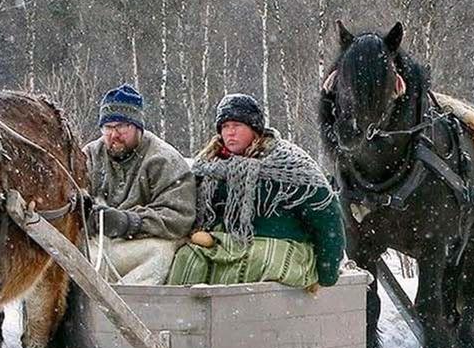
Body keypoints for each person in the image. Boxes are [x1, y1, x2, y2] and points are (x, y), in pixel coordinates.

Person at [169, 94, 344, 290]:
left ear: (255, 129)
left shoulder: (290, 164)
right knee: (186, 259)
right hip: (223, 245)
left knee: (260, 261)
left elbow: (327, 218)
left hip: (281, 245)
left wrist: (327, 272)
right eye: (225, 127)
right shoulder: (208, 165)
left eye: (237, 125)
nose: (230, 133)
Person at [84, 84, 196, 284]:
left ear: (137, 127)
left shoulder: (163, 160)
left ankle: (129, 306)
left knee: (160, 253)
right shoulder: (90, 156)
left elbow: (179, 217)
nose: (113, 135)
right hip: (96, 244)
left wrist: (130, 222)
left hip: (141, 244)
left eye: (121, 127)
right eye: (108, 128)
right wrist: (90, 217)